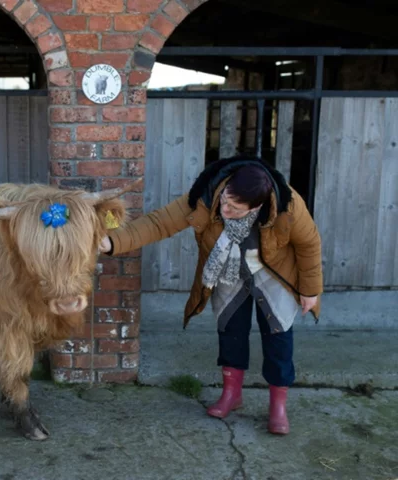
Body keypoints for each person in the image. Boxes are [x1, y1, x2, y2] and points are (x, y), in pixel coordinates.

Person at [99, 155, 323, 435]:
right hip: (228, 274)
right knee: (230, 331)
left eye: (235, 208)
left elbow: (309, 244)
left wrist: (310, 291)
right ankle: (232, 395)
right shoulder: (206, 195)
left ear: (259, 207)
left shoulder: (288, 206)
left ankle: (277, 406)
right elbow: (159, 223)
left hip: (273, 274)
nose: (225, 209)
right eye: (226, 200)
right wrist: (112, 241)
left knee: (278, 339)